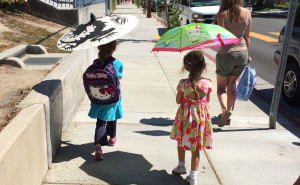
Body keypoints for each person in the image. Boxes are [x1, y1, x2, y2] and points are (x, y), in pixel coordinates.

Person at [170, 50, 213, 185]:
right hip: (199, 119)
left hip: (185, 118)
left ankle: (181, 166)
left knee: (181, 141)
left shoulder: (183, 83)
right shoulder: (207, 84)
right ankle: (193, 176)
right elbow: (207, 101)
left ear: (186, 67)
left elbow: (178, 100)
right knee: (196, 148)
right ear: (204, 66)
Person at [216, 0, 252, 127]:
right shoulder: (248, 13)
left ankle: (225, 111)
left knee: (221, 88)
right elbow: (247, 37)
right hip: (242, 53)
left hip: (226, 53)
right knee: (231, 85)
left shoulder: (222, 15)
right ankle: (228, 112)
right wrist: (248, 55)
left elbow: (222, 37)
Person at [88, 40, 123, 160]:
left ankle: (98, 146)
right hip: (112, 96)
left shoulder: (96, 63)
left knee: (101, 121)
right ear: (114, 49)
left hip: (98, 96)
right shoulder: (117, 63)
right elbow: (120, 76)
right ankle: (112, 138)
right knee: (112, 116)